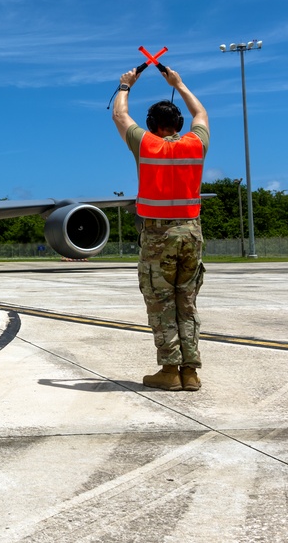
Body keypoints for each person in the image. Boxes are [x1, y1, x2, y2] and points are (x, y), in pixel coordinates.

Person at [111, 64, 209, 391]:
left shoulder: (146, 146)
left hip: (158, 236)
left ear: (151, 126)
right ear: (179, 124)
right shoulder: (196, 145)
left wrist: (125, 86)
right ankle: (191, 372)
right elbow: (201, 114)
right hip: (191, 234)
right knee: (187, 302)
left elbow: (120, 117)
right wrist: (178, 83)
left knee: (161, 301)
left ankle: (170, 370)